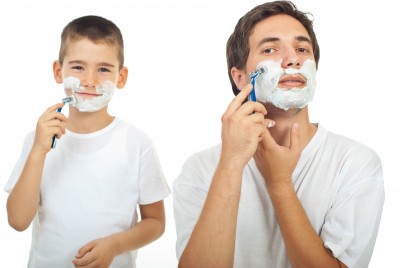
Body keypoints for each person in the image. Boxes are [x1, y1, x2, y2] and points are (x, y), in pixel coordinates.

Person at [173, 1, 384, 267]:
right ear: (240, 79)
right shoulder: (201, 168)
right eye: (270, 49)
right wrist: (231, 162)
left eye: (302, 49)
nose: (293, 59)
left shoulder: (355, 162)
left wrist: (280, 183)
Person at [5, 15, 170, 268]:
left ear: (121, 77)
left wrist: (114, 245)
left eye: (103, 69)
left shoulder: (137, 143)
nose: (90, 80)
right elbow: (17, 221)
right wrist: (39, 151)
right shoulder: (37, 141)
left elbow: (156, 223)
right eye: (78, 67)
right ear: (59, 72)